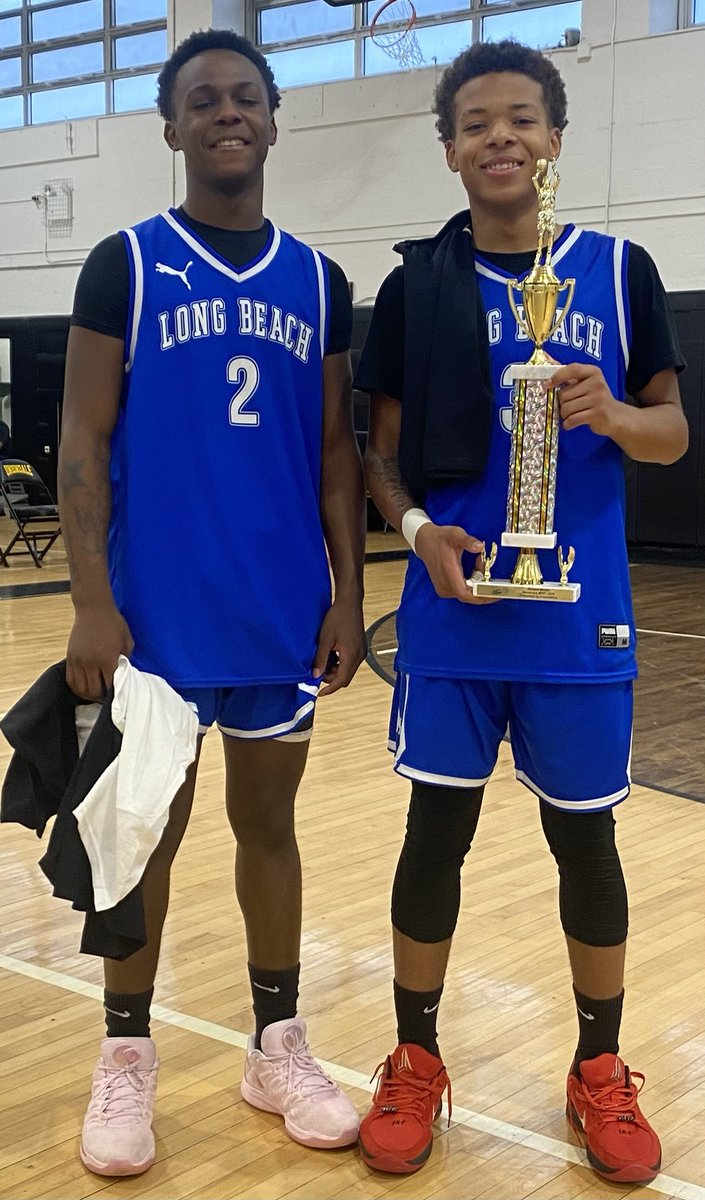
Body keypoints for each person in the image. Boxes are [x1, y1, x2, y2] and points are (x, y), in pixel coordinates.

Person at [354, 39, 687, 1184]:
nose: (500, 137)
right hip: (454, 610)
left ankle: (599, 1069)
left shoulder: (621, 269)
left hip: (577, 615)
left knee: (582, 838)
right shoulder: (414, 287)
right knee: (433, 835)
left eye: (521, 119)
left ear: (553, 140)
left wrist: (613, 414)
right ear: (450, 151)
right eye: (476, 122)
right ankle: (413, 1057)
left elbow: (673, 431)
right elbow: (379, 455)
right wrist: (414, 532)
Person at [58, 28, 366, 1177]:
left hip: (280, 611)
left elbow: (336, 454)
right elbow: (81, 435)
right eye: (203, 99)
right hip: (155, 620)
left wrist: (349, 595)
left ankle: (275, 1043)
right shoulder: (125, 264)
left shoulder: (318, 279)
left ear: (275, 120)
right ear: (172, 126)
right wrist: (91, 600)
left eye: (246, 96)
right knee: (143, 839)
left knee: (269, 830)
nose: (227, 112)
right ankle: (126, 1055)